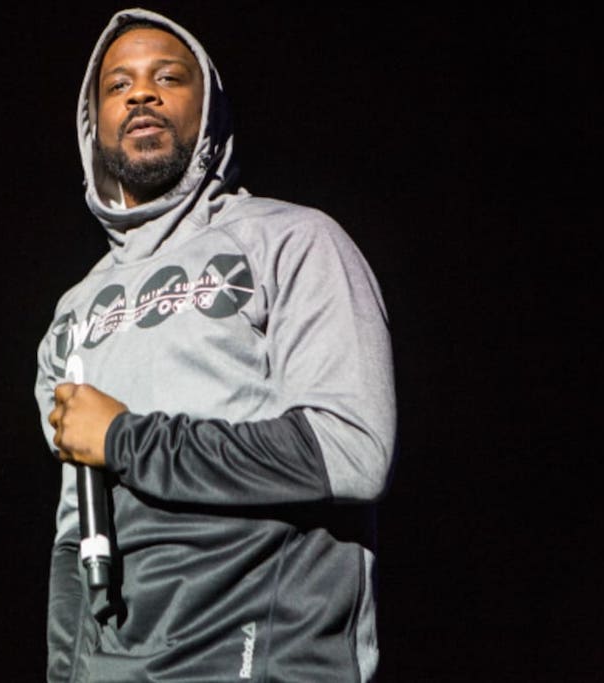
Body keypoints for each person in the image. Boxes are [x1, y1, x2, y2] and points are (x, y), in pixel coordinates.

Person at [35, 8, 396, 682]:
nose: (141, 94)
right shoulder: (74, 312)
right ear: (92, 125)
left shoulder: (293, 240)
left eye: (168, 78)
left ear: (207, 113)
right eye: (118, 85)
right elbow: (73, 534)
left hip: (263, 657)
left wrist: (125, 439)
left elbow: (352, 451)